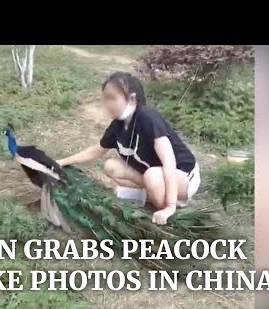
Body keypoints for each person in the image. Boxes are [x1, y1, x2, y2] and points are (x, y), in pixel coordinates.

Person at [57, 72, 200, 225]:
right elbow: (96, 151)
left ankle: (169, 208)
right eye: (105, 98)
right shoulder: (118, 125)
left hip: (183, 177)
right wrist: (61, 162)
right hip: (154, 174)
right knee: (112, 166)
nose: (107, 104)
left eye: (112, 98)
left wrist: (170, 206)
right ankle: (150, 193)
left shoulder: (148, 117)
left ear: (131, 99)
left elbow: (169, 161)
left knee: (152, 176)